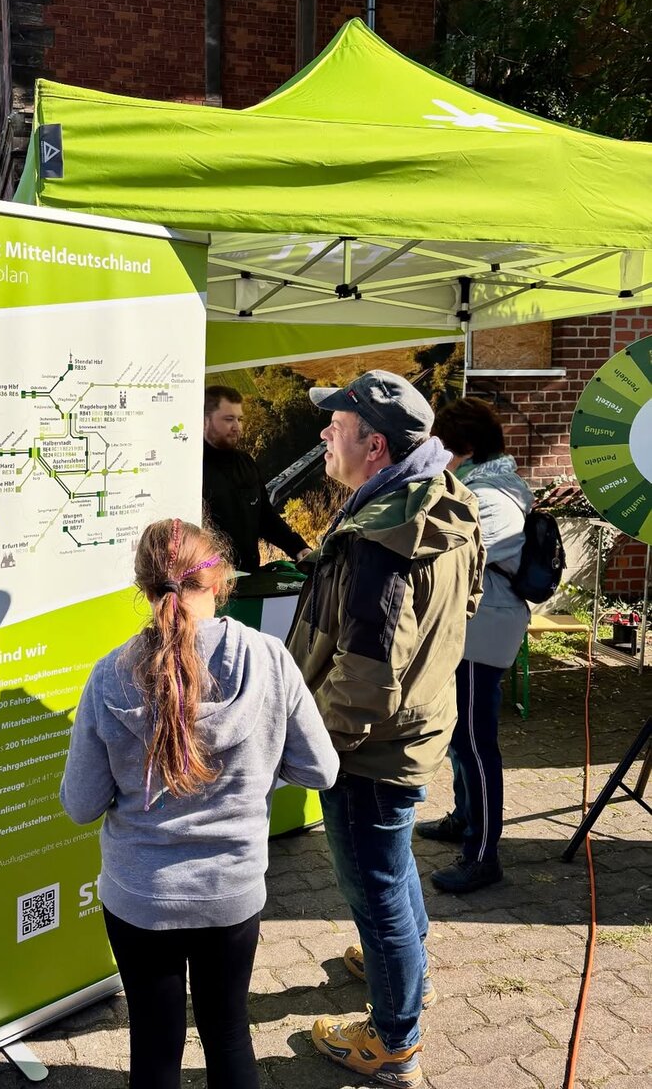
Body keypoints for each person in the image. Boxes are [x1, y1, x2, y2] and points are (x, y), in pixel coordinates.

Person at [60, 518, 338, 1089]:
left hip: (141, 896)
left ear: (143, 588)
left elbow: (82, 804)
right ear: (221, 580)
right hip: (231, 890)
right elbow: (321, 769)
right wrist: (260, 768)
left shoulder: (110, 676)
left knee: (153, 1044)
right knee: (230, 1034)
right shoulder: (270, 659)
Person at [285, 371, 484, 1087]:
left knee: (375, 890)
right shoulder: (443, 498)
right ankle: (405, 969)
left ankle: (394, 1043)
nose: (323, 435)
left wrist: (321, 752)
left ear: (374, 446)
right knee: (392, 870)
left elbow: (367, 677)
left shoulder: (383, 537)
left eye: (335, 427)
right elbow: (460, 606)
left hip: (368, 750)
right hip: (416, 726)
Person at [418, 398, 533, 894]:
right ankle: (465, 818)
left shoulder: (491, 497)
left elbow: (450, 556)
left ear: (463, 447)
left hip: (484, 630)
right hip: (479, 625)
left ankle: (483, 855)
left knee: (475, 742)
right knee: (462, 737)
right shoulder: (490, 485)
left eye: (442, 447)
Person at [202, 385, 311, 573]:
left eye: (239, 419)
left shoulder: (246, 462)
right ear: (205, 421)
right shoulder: (193, 471)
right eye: (228, 419)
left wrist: (298, 548)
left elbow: (264, 517)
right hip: (211, 582)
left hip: (250, 577)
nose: (236, 427)